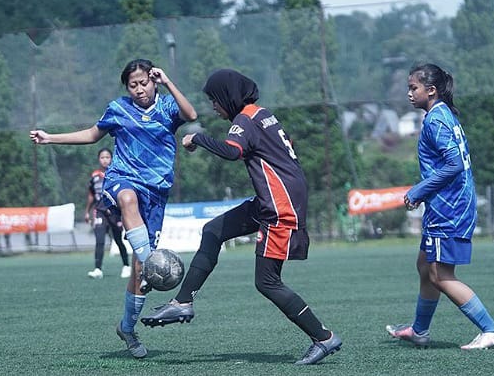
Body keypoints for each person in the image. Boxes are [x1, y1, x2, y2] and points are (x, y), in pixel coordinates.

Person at [140, 69, 342, 365]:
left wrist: (198, 138)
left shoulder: (245, 119)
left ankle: (323, 337)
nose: (213, 106)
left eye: (214, 100)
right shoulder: (260, 114)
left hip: (279, 207)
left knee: (268, 282)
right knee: (213, 230)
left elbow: (233, 151)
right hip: (270, 201)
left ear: (227, 96)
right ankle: (182, 302)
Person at [29, 59, 197, 359]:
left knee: (138, 276)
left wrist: (169, 81)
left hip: (157, 192)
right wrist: (50, 137)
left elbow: (191, 113)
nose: (139, 89)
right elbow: (93, 134)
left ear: (153, 81)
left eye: (144, 82)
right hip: (123, 179)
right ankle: (149, 262)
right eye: (133, 85)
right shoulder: (118, 109)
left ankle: (127, 328)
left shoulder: (168, 107)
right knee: (128, 201)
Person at [385, 63, 494, 350]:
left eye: (413, 88)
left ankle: (491, 330)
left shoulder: (436, 120)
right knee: (424, 264)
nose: (409, 93)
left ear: (431, 90)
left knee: (440, 275)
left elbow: (453, 164)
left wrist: (418, 190)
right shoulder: (441, 115)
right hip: (445, 204)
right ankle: (419, 330)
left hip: (449, 208)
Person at [85, 147, 131, 279]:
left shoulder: (117, 173)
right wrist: (87, 211)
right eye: (102, 157)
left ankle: (126, 266)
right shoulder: (95, 176)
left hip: (114, 212)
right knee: (99, 240)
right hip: (99, 211)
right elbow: (91, 195)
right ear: (99, 160)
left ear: (112, 159)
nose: (105, 160)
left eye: (107, 157)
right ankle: (98, 269)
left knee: (118, 239)